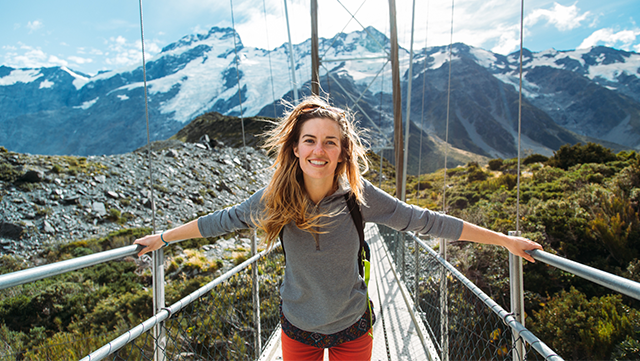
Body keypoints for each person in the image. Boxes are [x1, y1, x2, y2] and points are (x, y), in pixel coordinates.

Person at [134, 95, 543, 361]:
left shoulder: (359, 197)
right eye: (310, 140)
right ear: (295, 148)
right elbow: (219, 222)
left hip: (352, 328)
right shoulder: (273, 199)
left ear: (343, 150)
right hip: (298, 329)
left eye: (331, 141)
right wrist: (163, 239)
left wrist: (504, 241)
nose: (319, 150)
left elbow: (428, 221)